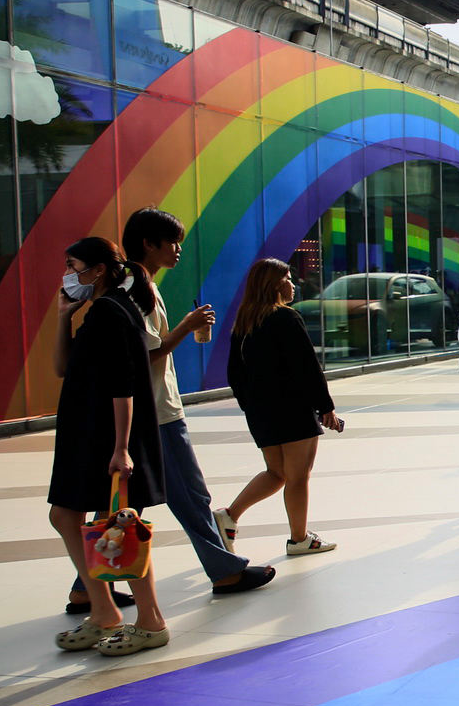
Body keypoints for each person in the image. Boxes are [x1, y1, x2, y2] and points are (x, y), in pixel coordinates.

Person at [121, 208, 274, 597]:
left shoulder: (135, 285)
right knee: (191, 495)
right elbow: (142, 353)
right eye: (171, 242)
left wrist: (182, 330)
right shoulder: (136, 288)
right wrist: (187, 328)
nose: (178, 250)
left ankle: (87, 585)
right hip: (157, 411)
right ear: (147, 244)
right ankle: (225, 571)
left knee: (125, 502)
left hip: (141, 410)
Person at [49, 237, 169, 655]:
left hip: (106, 435)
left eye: (73, 263)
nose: (67, 272)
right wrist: (64, 317)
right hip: (86, 431)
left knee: (118, 524)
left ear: (98, 269)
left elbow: (124, 384)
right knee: (72, 516)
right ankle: (104, 611)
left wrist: (121, 447)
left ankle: (149, 619)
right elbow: (63, 367)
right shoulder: (100, 310)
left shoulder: (111, 311)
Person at [218, 258, 342, 558]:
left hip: (261, 413)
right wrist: (326, 407)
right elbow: (307, 368)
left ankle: (228, 516)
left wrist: (250, 405)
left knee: (276, 472)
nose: (293, 283)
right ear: (274, 285)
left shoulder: (245, 322)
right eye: (287, 278)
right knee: (298, 476)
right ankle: (299, 538)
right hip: (292, 409)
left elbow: (234, 373)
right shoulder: (286, 318)